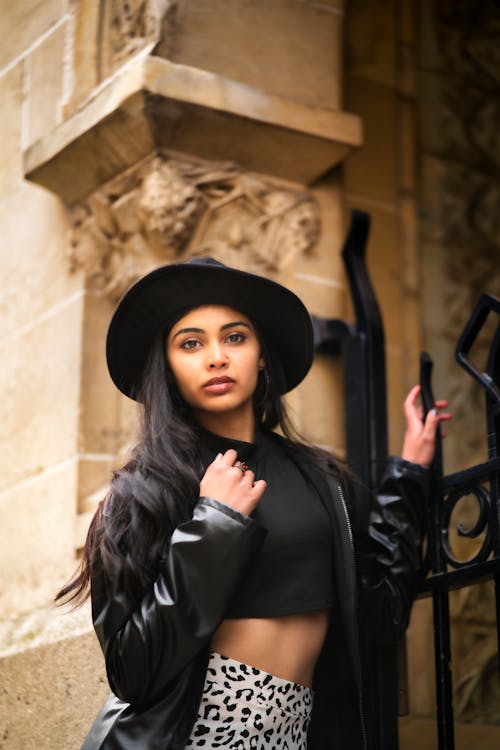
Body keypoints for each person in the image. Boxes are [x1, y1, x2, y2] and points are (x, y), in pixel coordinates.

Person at [57, 257, 451, 750]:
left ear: (262, 354)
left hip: (299, 734)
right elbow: (132, 671)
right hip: (194, 736)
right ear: (169, 367)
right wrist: (213, 526)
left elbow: (383, 610)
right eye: (191, 343)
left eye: (235, 337)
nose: (216, 357)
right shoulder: (144, 491)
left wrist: (410, 473)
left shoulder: (322, 480)